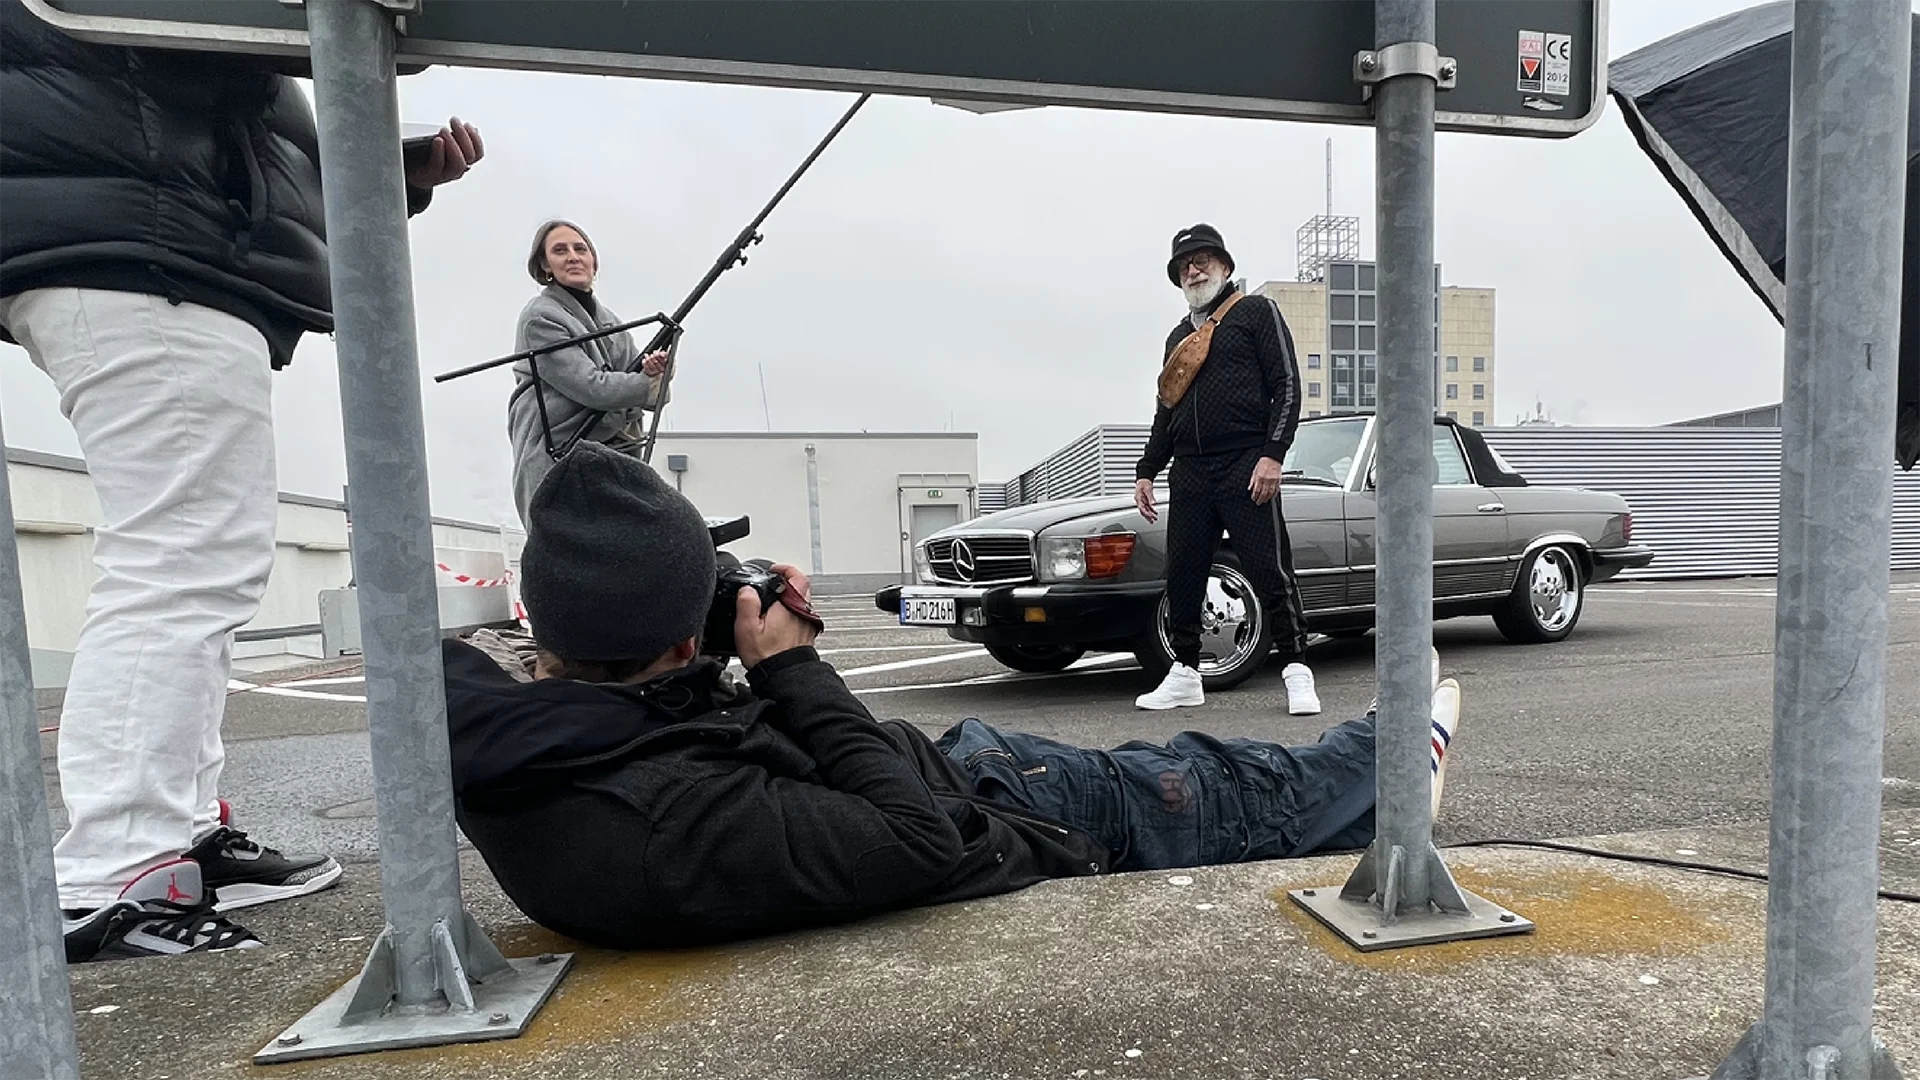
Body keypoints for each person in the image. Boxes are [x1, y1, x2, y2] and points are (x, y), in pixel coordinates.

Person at [440, 443, 1462, 950]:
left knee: (1185, 770)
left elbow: (651, 704)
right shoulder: (670, 828)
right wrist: (791, 666)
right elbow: (916, 841)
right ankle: (1385, 769)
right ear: (669, 638)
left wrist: (704, 640)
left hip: (935, 769)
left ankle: (1367, 772)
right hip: (991, 810)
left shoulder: (508, 734)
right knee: (1203, 784)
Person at [0, 4, 484, 962]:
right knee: (180, 558)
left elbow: (234, 113)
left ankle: (174, 833)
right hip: (138, 233)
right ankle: (113, 868)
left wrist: (384, 169)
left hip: (151, 227)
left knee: (196, 559)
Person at [1133, 224, 1318, 715]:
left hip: (1246, 462)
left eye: (1202, 261)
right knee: (1183, 575)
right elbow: (1166, 411)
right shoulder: (1178, 337)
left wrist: (1273, 454)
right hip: (1190, 471)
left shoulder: (1256, 312)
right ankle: (1185, 673)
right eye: (1184, 266)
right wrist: (1147, 470)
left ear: (1225, 266)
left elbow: (1287, 385)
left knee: (1269, 570)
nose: (1193, 271)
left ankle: (1297, 669)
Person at [507, 219, 672, 526]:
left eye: (580, 249)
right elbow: (592, 388)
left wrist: (657, 371)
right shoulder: (540, 318)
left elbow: (647, 388)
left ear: (593, 261)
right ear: (545, 265)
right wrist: (645, 386)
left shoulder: (611, 321)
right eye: (560, 250)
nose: (573, 257)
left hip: (614, 459)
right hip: (559, 464)